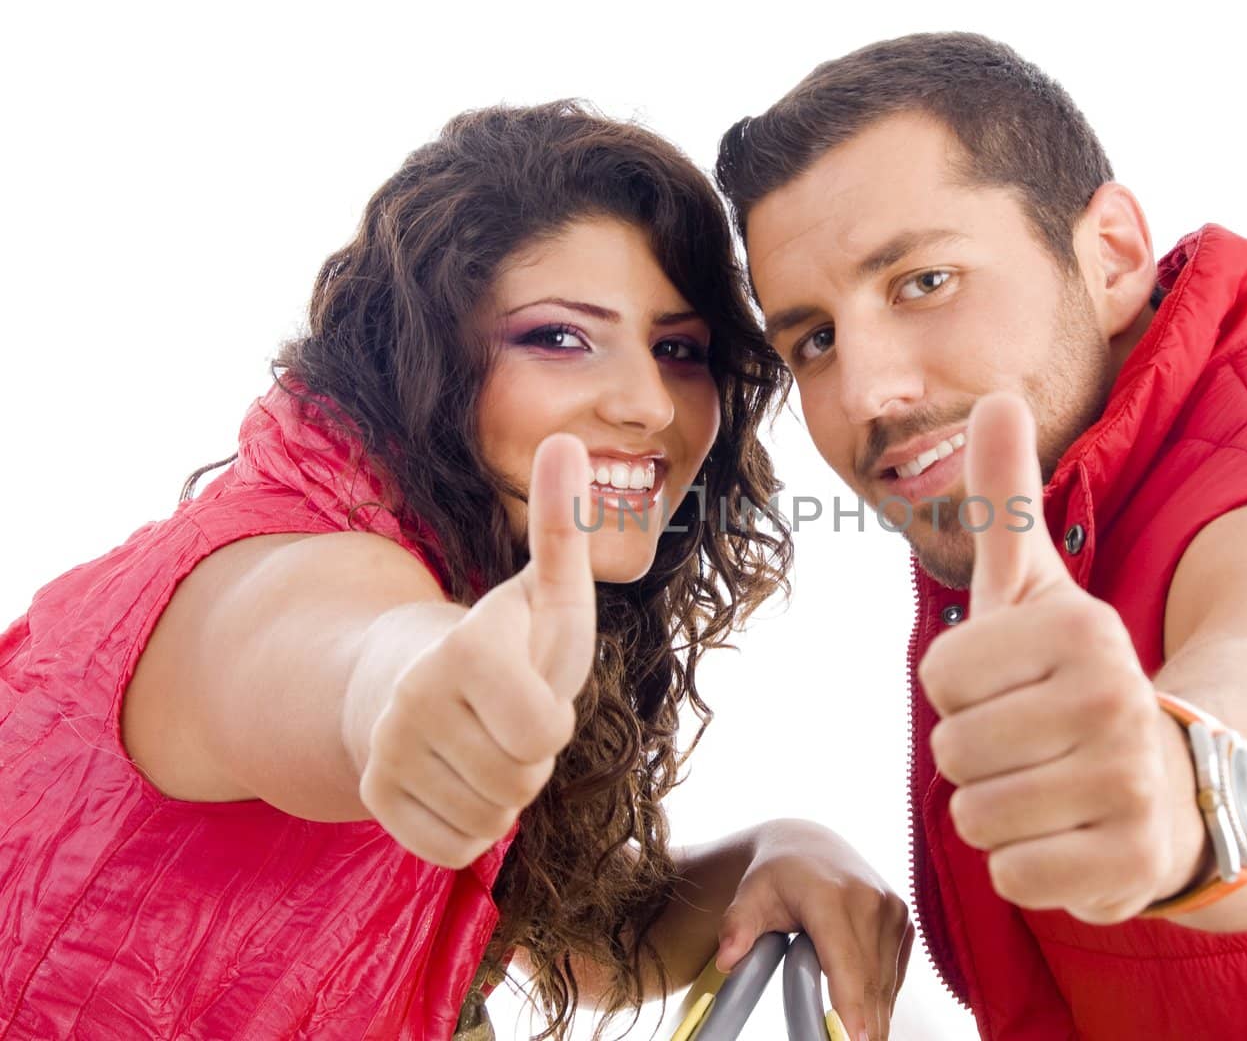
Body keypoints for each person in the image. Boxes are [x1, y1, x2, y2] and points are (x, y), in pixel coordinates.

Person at [716, 32, 1247, 1039]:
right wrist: (775, 845)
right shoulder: (1059, 516)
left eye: (924, 280)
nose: (867, 390)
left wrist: (1181, 793)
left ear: (1113, 254)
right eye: (815, 339)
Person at [0, 103, 913, 1041]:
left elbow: (576, 940)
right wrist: (412, 692)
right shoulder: (270, 575)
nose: (647, 404)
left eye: (678, 350)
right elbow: (347, 657)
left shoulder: (475, 564)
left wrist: (777, 848)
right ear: (422, 357)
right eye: (559, 337)